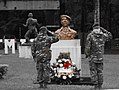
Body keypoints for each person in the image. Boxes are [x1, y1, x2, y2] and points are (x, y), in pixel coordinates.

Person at [85, 24, 112, 90]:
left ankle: (96, 85)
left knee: (93, 71)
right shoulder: (103, 35)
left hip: (92, 57)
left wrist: (87, 54)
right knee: (100, 71)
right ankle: (100, 85)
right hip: (100, 57)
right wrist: (103, 30)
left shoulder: (90, 35)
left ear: (93, 28)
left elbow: (88, 47)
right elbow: (110, 36)